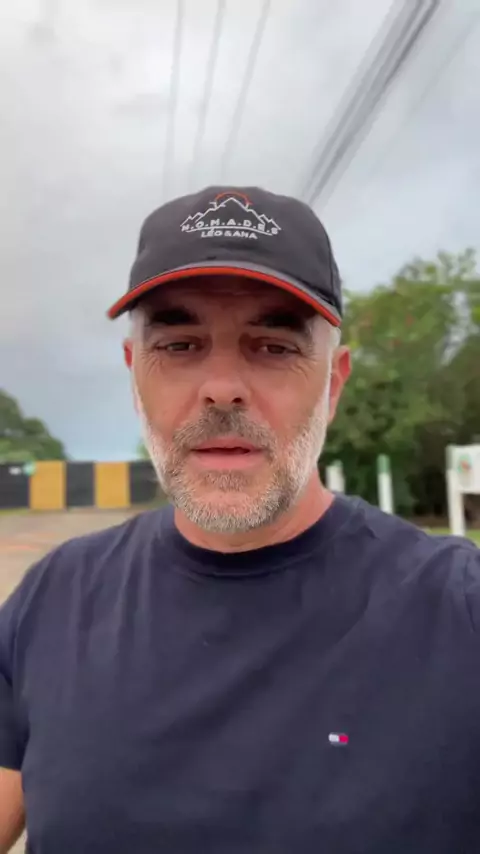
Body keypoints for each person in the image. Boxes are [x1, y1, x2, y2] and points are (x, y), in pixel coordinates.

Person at [0, 185, 479, 854]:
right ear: (135, 375)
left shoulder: (460, 612)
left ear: (334, 384)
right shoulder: (51, 601)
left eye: (273, 347)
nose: (222, 388)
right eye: (180, 345)